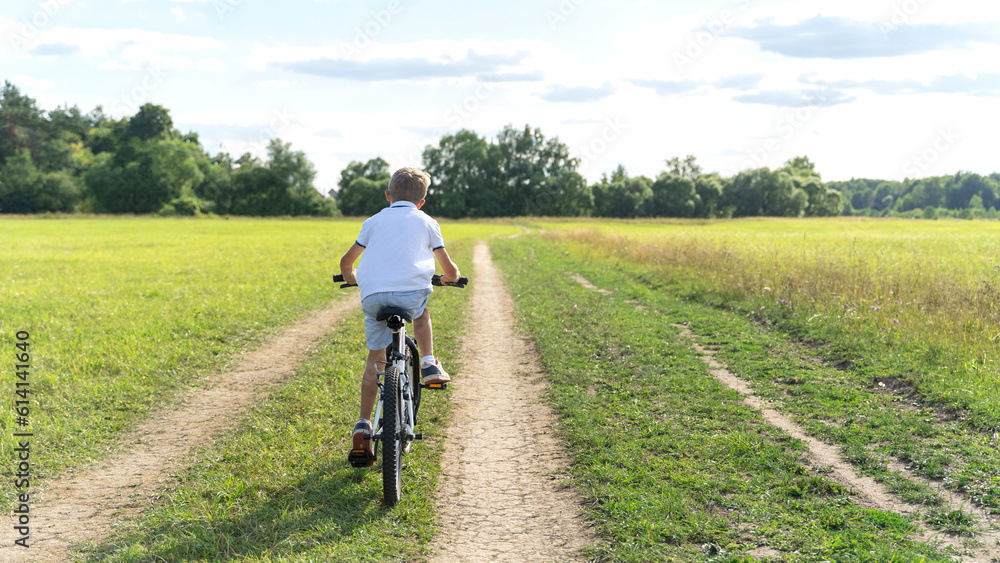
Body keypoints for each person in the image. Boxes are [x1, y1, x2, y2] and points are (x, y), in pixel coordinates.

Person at [339, 167, 461, 465]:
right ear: (422, 201)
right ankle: (430, 362)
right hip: (410, 294)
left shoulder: (373, 221)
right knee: (421, 313)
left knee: (374, 361)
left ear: (387, 195)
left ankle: (363, 424)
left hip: (374, 296)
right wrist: (450, 278)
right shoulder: (427, 221)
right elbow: (450, 269)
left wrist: (352, 276)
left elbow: (346, 261)